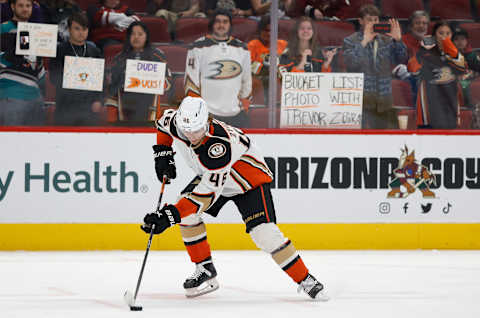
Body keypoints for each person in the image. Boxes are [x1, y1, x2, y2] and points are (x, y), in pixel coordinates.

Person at [141, 96, 329, 301]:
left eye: (196, 130)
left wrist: (169, 216)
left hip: (248, 182)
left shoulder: (218, 147)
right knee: (186, 214)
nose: (192, 136)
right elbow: (162, 125)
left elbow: (204, 197)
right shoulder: (176, 122)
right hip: (212, 177)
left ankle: (306, 279)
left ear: (207, 122)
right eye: (187, 131)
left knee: (264, 234)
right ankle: (205, 269)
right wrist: (162, 153)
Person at [343, 4, 407, 129]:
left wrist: (398, 40)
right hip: (361, 101)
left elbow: (402, 59)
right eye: (369, 20)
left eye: (375, 20)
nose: (373, 23)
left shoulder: (386, 40)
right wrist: (364, 41)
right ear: (361, 21)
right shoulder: (350, 41)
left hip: (384, 100)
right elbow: (351, 64)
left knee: (382, 140)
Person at [184, 9, 252, 127]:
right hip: (207, 114)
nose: (221, 25)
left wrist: (245, 106)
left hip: (236, 114)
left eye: (225, 22)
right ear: (212, 24)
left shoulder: (242, 48)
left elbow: (247, 80)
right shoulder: (197, 47)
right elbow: (191, 81)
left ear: (230, 25)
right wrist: (197, 110)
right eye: (218, 21)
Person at [105, 21, 173, 125]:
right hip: (125, 112)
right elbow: (112, 88)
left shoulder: (158, 56)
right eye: (133, 34)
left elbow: (168, 85)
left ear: (146, 36)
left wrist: (155, 81)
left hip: (151, 113)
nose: (136, 37)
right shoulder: (119, 58)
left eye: (140, 34)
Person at [49, 11, 104, 126]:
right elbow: (54, 78)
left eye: (84, 29)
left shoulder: (95, 51)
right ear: (69, 29)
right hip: (65, 106)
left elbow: (101, 80)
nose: (81, 33)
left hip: (89, 108)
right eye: (77, 29)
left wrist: (99, 100)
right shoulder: (60, 50)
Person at [409, 21, 467, 129]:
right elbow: (412, 69)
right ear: (434, 35)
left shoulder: (456, 54)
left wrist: (450, 48)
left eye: (448, 33)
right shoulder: (425, 52)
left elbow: (463, 68)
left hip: (449, 108)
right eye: (441, 33)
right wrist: (422, 51)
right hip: (429, 108)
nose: (444, 36)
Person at [0, 0, 45, 125]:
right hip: (11, 94)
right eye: (21, 5)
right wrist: (12, 53)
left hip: (35, 97)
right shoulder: (3, 28)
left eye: (28, 6)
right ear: (12, 7)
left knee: (38, 143)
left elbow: (39, 68)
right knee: (11, 143)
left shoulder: (38, 32)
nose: (25, 9)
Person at [248, 15, 287, 105]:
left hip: (278, 82)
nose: (269, 33)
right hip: (259, 83)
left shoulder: (283, 45)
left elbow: (288, 65)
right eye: (266, 30)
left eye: (272, 30)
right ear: (260, 31)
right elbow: (249, 68)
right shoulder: (252, 45)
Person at [452, 27, 479, 108]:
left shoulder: (472, 55)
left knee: (464, 85)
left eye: (462, 39)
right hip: (453, 79)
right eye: (456, 39)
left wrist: (471, 74)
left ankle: (470, 109)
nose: (460, 42)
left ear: (467, 41)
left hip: (468, 80)